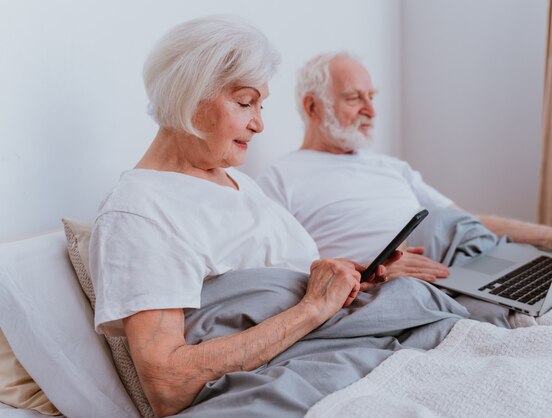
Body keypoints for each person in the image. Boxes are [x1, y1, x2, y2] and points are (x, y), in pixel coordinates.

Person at [88, 20, 369, 417]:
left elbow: (287, 274)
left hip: (339, 347)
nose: (259, 123)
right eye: (244, 103)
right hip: (294, 376)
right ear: (190, 98)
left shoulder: (238, 181)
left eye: (261, 105)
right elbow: (167, 384)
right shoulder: (138, 210)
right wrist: (312, 309)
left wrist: (347, 279)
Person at [257, 51, 552, 286]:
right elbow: (279, 268)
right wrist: (370, 272)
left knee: (532, 272)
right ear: (312, 107)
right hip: (391, 283)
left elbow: (462, 221)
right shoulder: (280, 177)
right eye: (355, 98)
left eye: (373, 97)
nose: (371, 110)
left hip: (461, 262)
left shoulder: (391, 167)